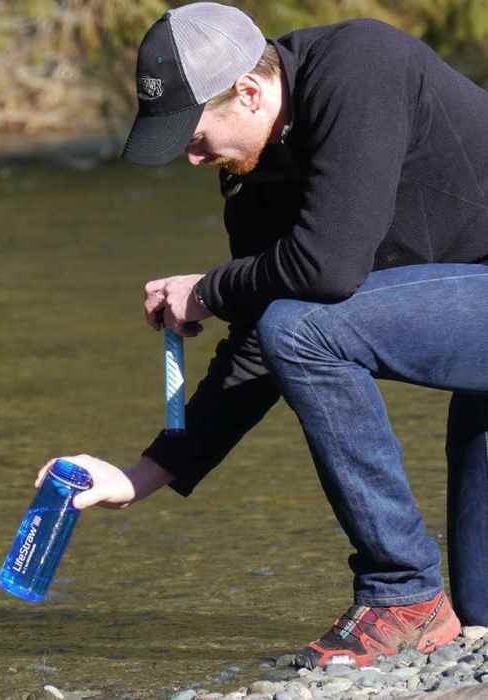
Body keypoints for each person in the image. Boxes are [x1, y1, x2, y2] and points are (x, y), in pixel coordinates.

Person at [36, 1, 488, 668]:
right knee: (483, 622)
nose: (191, 159)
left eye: (193, 137)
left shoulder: (359, 68)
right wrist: (139, 476)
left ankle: (403, 595)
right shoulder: (251, 176)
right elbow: (256, 347)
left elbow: (325, 273)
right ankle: (431, 612)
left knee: (301, 325)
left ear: (249, 91)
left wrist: (208, 288)